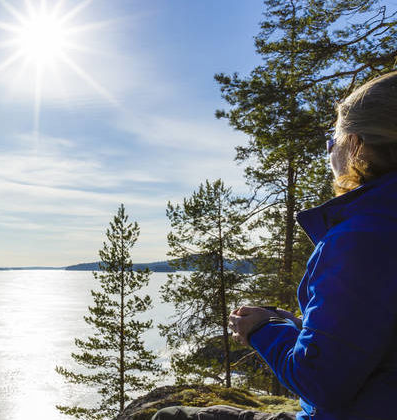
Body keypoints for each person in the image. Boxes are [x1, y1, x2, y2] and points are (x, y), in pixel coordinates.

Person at [154, 71, 397, 420]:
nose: (329, 153)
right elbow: (374, 343)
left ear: (356, 146)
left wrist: (263, 330)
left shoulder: (361, 239)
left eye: (332, 142)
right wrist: (296, 325)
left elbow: (319, 381)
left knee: (170, 417)